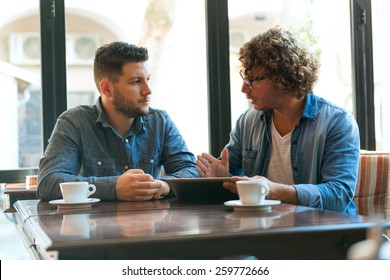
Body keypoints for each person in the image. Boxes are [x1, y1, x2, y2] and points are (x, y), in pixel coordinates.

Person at [196, 26, 360, 214]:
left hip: (324, 230)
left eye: (253, 80)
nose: (244, 88)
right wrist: (222, 179)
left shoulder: (337, 122)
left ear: (283, 79)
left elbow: (338, 194)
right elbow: (234, 178)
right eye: (244, 78)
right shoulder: (248, 121)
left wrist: (274, 190)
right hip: (265, 227)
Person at [37, 42, 199, 202]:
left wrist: (164, 185)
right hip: (93, 226)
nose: (148, 90)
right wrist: (113, 187)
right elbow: (48, 182)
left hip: (150, 224)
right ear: (107, 88)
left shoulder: (160, 122)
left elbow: (190, 170)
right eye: (136, 81)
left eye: (147, 79)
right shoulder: (74, 122)